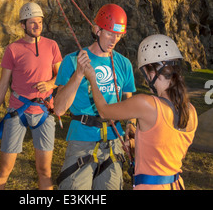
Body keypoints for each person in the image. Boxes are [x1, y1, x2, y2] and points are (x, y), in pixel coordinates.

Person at [84, 34, 198, 190]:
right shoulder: (191, 110)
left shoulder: (147, 104)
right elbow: (169, 150)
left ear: (149, 72)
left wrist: (92, 79)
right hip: (176, 185)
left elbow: (104, 111)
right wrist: (137, 144)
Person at [54, 4, 136, 190]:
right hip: (82, 140)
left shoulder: (124, 64)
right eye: (109, 33)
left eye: (119, 35)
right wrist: (78, 75)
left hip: (114, 143)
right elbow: (58, 108)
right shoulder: (73, 60)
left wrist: (130, 125)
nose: (114, 40)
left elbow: (128, 102)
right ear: (96, 30)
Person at [0, 2, 62, 190]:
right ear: (23, 25)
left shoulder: (52, 46)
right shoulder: (13, 49)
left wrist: (50, 84)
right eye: (32, 23)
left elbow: (60, 77)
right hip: (17, 111)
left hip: (44, 111)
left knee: (45, 171)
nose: (37, 26)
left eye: (39, 22)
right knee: (4, 170)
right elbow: (3, 83)